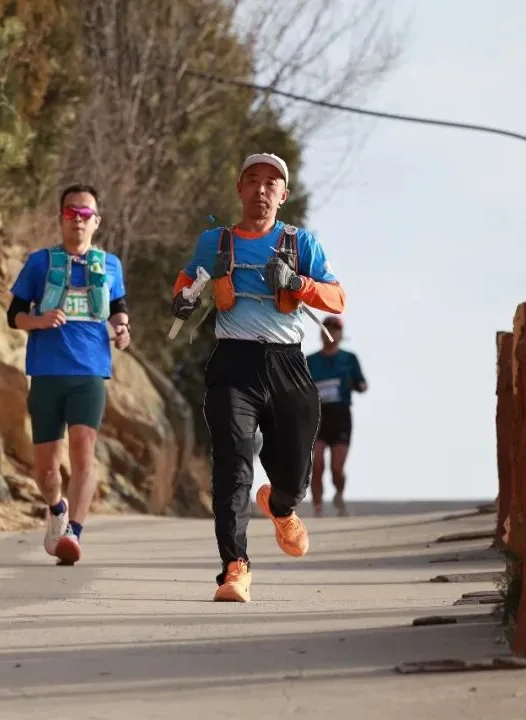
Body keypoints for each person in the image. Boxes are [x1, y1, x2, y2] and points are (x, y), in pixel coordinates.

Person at [170, 152, 345, 603]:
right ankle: (235, 567)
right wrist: (186, 297)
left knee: (295, 474)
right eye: (252, 180)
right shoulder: (216, 241)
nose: (261, 189)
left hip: (288, 363)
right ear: (239, 189)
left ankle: (282, 506)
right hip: (233, 362)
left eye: (271, 183)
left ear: (283, 196)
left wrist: (298, 283)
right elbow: (185, 285)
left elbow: (338, 298)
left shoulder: (301, 243)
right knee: (233, 463)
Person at [5, 184, 130, 566]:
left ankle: (74, 532)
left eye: (85, 214)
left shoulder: (110, 265)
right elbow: (14, 315)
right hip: (46, 373)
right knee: (45, 470)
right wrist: (39, 320)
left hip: (90, 372)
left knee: (83, 450)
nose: (78, 220)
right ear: (61, 218)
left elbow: (118, 306)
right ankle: (57, 508)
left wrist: (122, 328)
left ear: (97, 221)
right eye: (71, 212)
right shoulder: (40, 262)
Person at [306, 315, 367, 517]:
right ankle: (317, 506)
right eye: (326, 330)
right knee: (317, 464)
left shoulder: (349, 359)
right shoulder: (310, 361)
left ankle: (339, 494)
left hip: (340, 416)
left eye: (334, 330)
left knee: (336, 468)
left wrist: (358, 385)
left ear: (341, 334)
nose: (330, 333)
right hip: (318, 416)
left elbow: (362, 383)